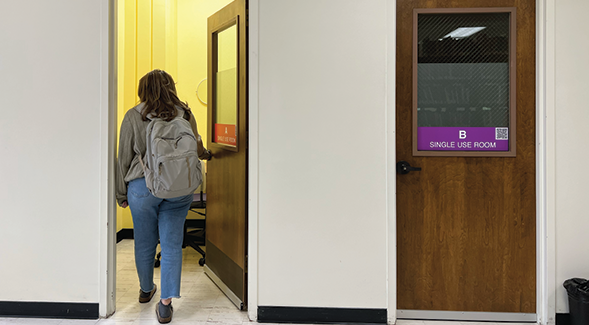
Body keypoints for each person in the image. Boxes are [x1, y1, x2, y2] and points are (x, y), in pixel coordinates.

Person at [116, 69, 212, 323]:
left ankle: (146, 290)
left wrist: (120, 194)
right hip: (178, 187)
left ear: (142, 89)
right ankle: (166, 304)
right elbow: (197, 146)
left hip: (142, 187)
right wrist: (206, 155)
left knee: (144, 242)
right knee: (171, 246)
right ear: (171, 87)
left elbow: (123, 159)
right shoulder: (185, 112)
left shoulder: (133, 116)